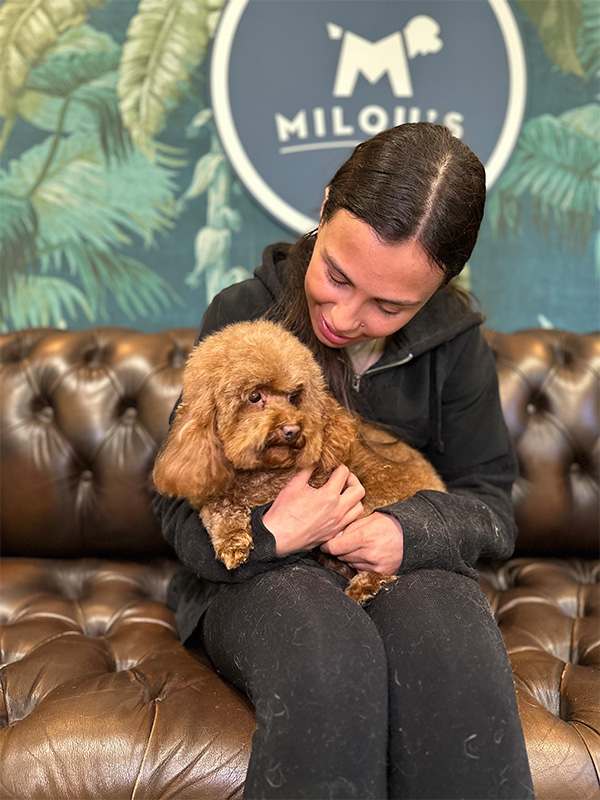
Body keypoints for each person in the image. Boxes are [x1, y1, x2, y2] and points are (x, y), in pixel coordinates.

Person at [153, 123, 535, 800]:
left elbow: (491, 507)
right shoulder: (243, 315)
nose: (345, 315)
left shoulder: (457, 348)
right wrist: (272, 535)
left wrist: (406, 533)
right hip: (256, 581)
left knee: (450, 646)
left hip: (393, 567)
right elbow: (174, 502)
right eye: (336, 275)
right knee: (329, 655)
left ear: (440, 285)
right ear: (326, 205)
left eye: (390, 306)